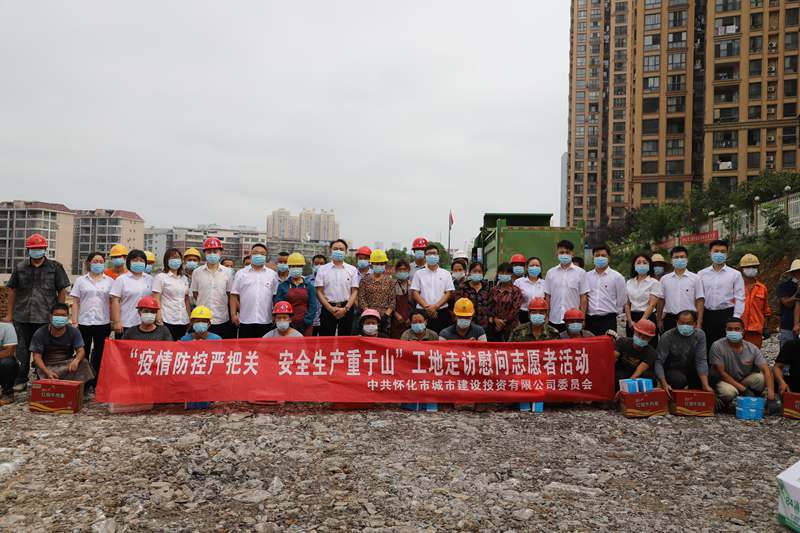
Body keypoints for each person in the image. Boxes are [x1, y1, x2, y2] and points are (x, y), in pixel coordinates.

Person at [5, 233, 70, 391]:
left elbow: (62, 289)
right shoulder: (20, 267)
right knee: (21, 350)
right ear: (28, 250)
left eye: (40, 248)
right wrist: (9, 315)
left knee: (44, 349)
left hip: (45, 317)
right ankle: (21, 379)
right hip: (22, 316)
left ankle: (43, 376)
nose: (37, 251)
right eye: (33, 248)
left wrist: (59, 313)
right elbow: (12, 290)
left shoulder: (55, 267)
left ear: (45, 249)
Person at [710, 317, 777, 411]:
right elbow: (722, 373)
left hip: (742, 380)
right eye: (730, 329)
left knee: (761, 379)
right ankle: (723, 403)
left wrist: (771, 394)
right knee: (728, 392)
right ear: (725, 331)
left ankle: (753, 400)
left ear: (743, 331)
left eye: (737, 329)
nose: (733, 332)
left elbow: (766, 370)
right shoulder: (717, 346)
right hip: (724, 381)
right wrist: (744, 390)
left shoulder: (752, 348)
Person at [69, 252, 113, 388]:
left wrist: (114, 320)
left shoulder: (110, 281)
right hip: (84, 322)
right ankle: (85, 381)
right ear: (89, 263)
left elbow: (113, 302)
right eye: (95, 261)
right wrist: (74, 321)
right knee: (83, 352)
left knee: (100, 352)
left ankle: (97, 380)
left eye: (101, 261)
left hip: (103, 322)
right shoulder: (81, 281)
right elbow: (75, 302)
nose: (98, 264)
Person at [698, 239, 745, 351]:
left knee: (726, 347)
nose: (719, 254)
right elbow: (698, 297)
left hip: (727, 314)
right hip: (707, 315)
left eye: (723, 251)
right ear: (710, 253)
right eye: (716, 251)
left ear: (727, 254)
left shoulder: (735, 274)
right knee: (707, 346)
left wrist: (736, 318)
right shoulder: (701, 274)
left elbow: (740, 297)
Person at [29, 303, 94, 384]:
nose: (60, 317)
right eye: (57, 315)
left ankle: (81, 388)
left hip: (67, 365)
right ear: (50, 316)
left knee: (84, 362)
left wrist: (76, 360)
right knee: (43, 373)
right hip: (47, 366)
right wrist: (47, 372)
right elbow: (36, 357)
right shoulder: (40, 333)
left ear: (68, 317)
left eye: (63, 315)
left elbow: (81, 350)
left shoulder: (74, 332)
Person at [654, 310, 712, 395]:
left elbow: (701, 360)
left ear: (695, 323)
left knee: (712, 375)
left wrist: (705, 385)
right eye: (682, 323)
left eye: (689, 323)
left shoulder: (700, 335)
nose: (685, 326)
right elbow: (659, 362)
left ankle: (699, 391)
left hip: (691, 368)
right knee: (678, 380)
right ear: (676, 322)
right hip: (673, 369)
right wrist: (664, 384)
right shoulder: (667, 336)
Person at [230, 243, 280, 338]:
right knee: (246, 347)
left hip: (266, 320)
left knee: (265, 347)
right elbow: (233, 295)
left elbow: (275, 296)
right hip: (245, 320)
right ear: (251, 255)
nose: (259, 255)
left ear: (266, 257)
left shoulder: (272, 274)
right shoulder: (241, 273)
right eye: (256, 253)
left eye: (262, 254)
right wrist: (233, 314)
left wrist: (275, 315)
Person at [191, 237, 235, 339]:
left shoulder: (228, 272)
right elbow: (195, 294)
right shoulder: (197, 272)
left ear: (221, 253)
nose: (212, 254)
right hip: (202, 320)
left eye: (215, 251)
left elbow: (229, 295)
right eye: (209, 252)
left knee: (221, 347)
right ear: (205, 253)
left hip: (221, 319)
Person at [179, 306, 222, 410]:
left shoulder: (217, 339)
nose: (200, 323)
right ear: (192, 323)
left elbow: (220, 361)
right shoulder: (185, 340)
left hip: (209, 377)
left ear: (209, 324)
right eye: (197, 321)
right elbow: (181, 361)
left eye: (203, 321)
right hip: (191, 378)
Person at [315, 239, 359, 336]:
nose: (338, 251)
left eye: (341, 249)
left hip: (347, 309)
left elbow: (355, 291)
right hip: (328, 309)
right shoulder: (322, 269)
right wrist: (330, 308)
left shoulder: (352, 270)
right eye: (335, 249)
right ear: (330, 250)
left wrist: (345, 309)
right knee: (326, 339)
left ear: (346, 252)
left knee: (345, 339)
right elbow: (319, 291)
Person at [581, 245, 626, 336]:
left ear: (609, 258)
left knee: (608, 344)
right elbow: (584, 297)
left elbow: (621, 301)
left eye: (603, 255)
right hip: (590, 319)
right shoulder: (586, 276)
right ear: (593, 257)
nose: (600, 258)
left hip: (609, 320)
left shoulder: (617, 277)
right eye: (597, 255)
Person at [544, 239, 588, 332]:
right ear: (557, 253)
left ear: (572, 254)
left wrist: (582, 318)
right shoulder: (550, 273)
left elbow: (583, 298)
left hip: (574, 320)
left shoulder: (581, 273)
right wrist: (547, 315)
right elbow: (547, 297)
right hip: (554, 319)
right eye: (561, 252)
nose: (564, 255)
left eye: (567, 252)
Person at [659, 246, 704, 334]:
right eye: (676, 257)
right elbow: (661, 301)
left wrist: (699, 323)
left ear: (687, 259)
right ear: (671, 260)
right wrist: (659, 320)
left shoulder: (696, 278)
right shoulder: (664, 279)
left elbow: (700, 301)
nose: (679, 259)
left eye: (682, 257)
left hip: (689, 320)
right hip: (670, 319)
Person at [411, 244, 456, 333]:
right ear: (425, 256)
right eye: (429, 253)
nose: (432, 256)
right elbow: (415, 292)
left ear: (438, 256)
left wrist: (435, 306)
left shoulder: (446, 273)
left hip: (442, 312)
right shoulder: (418, 274)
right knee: (424, 337)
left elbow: (449, 293)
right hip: (423, 312)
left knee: (442, 337)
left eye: (434, 253)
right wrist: (427, 308)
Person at [110, 249, 154, 337]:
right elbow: (115, 301)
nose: (138, 262)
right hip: (126, 323)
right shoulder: (121, 279)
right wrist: (117, 321)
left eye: (141, 260)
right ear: (129, 262)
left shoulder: (150, 279)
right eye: (135, 260)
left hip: (146, 323)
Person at [152, 248, 191, 340]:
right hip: (167, 319)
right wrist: (158, 317)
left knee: (180, 346)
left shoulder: (184, 278)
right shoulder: (161, 277)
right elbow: (156, 299)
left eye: (178, 258)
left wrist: (189, 317)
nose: (175, 260)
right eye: (172, 258)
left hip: (182, 320)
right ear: (166, 260)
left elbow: (186, 299)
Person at [275, 253, 318, 336]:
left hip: (306, 325)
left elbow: (313, 306)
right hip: (288, 324)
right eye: (293, 266)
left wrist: (307, 321)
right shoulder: (283, 286)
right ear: (289, 267)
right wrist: (286, 321)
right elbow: (278, 305)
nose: (295, 268)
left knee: (305, 344)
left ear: (302, 267)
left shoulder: (309, 286)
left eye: (298, 266)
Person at [624, 254, 662, 339]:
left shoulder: (654, 282)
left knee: (648, 344)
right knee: (631, 343)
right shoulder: (629, 282)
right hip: (632, 318)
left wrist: (642, 321)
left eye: (645, 263)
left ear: (649, 265)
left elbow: (652, 304)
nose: (641, 265)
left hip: (647, 318)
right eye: (638, 262)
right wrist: (629, 320)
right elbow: (627, 304)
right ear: (634, 266)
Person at [357, 250, 395, 335]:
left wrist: (386, 316)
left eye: (381, 264)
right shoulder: (364, 280)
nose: (379, 266)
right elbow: (361, 299)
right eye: (377, 264)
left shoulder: (390, 281)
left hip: (385, 316)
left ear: (385, 265)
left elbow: (392, 301)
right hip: (368, 317)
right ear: (371, 264)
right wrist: (369, 314)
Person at [738, 253, 771, 348]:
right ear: (741, 269)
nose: (751, 269)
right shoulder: (736, 287)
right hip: (738, 330)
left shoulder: (762, 288)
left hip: (756, 331)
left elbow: (766, 311)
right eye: (748, 267)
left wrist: (765, 327)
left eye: (754, 267)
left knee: (753, 355)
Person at [613, 319, 657, 386]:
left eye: (645, 337)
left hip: (638, 375)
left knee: (650, 378)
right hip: (622, 371)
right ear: (634, 332)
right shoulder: (622, 342)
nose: (641, 338)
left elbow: (639, 371)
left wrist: (627, 385)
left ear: (650, 339)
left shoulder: (651, 353)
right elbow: (612, 360)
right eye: (639, 334)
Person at [488, 263, 525, 341]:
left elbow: (515, 309)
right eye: (502, 272)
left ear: (511, 274)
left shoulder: (516, 291)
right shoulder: (493, 290)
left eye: (507, 272)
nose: (504, 274)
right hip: (495, 327)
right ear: (498, 274)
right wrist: (495, 320)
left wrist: (502, 323)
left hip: (511, 328)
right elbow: (489, 307)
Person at [455, 262, 491, 332]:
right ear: (469, 272)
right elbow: (457, 306)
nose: (477, 273)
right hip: (467, 326)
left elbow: (491, 306)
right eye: (474, 271)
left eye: (479, 271)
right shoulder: (462, 287)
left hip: (484, 326)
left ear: (483, 273)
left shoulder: (487, 287)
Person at [514, 256, 545, 325]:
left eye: (537, 265)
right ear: (526, 268)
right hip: (523, 315)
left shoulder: (544, 283)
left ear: (540, 268)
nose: (534, 267)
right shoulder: (518, 282)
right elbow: (514, 302)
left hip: (539, 315)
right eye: (532, 265)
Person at [780, 259, 800, 346]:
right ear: (793, 273)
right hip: (787, 325)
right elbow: (787, 303)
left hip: (796, 325)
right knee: (787, 350)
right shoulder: (784, 286)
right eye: (797, 271)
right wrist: (796, 294)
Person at [391, 260, 413, 339]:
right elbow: (388, 302)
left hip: (409, 320)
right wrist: (396, 315)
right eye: (400, 269)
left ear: (408, 270)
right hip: (395, 320)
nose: (402, 271)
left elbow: (414, 304)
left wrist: (410, 317)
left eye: (404, 269)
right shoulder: (392, 285)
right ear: (396, 271)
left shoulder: (412, 285)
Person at [307, 254, 327, 335]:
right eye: (316, 263)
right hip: (311, 319)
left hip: (325, 317)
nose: (319, 266)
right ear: (312, 265)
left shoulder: (329, 280)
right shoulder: (307, 281)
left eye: (321, 264)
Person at [0, 322, 19, 405]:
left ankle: (7, 392)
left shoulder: (7, 327)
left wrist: (4, 350)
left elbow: (9, 352)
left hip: (3, 361)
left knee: (7, 363)